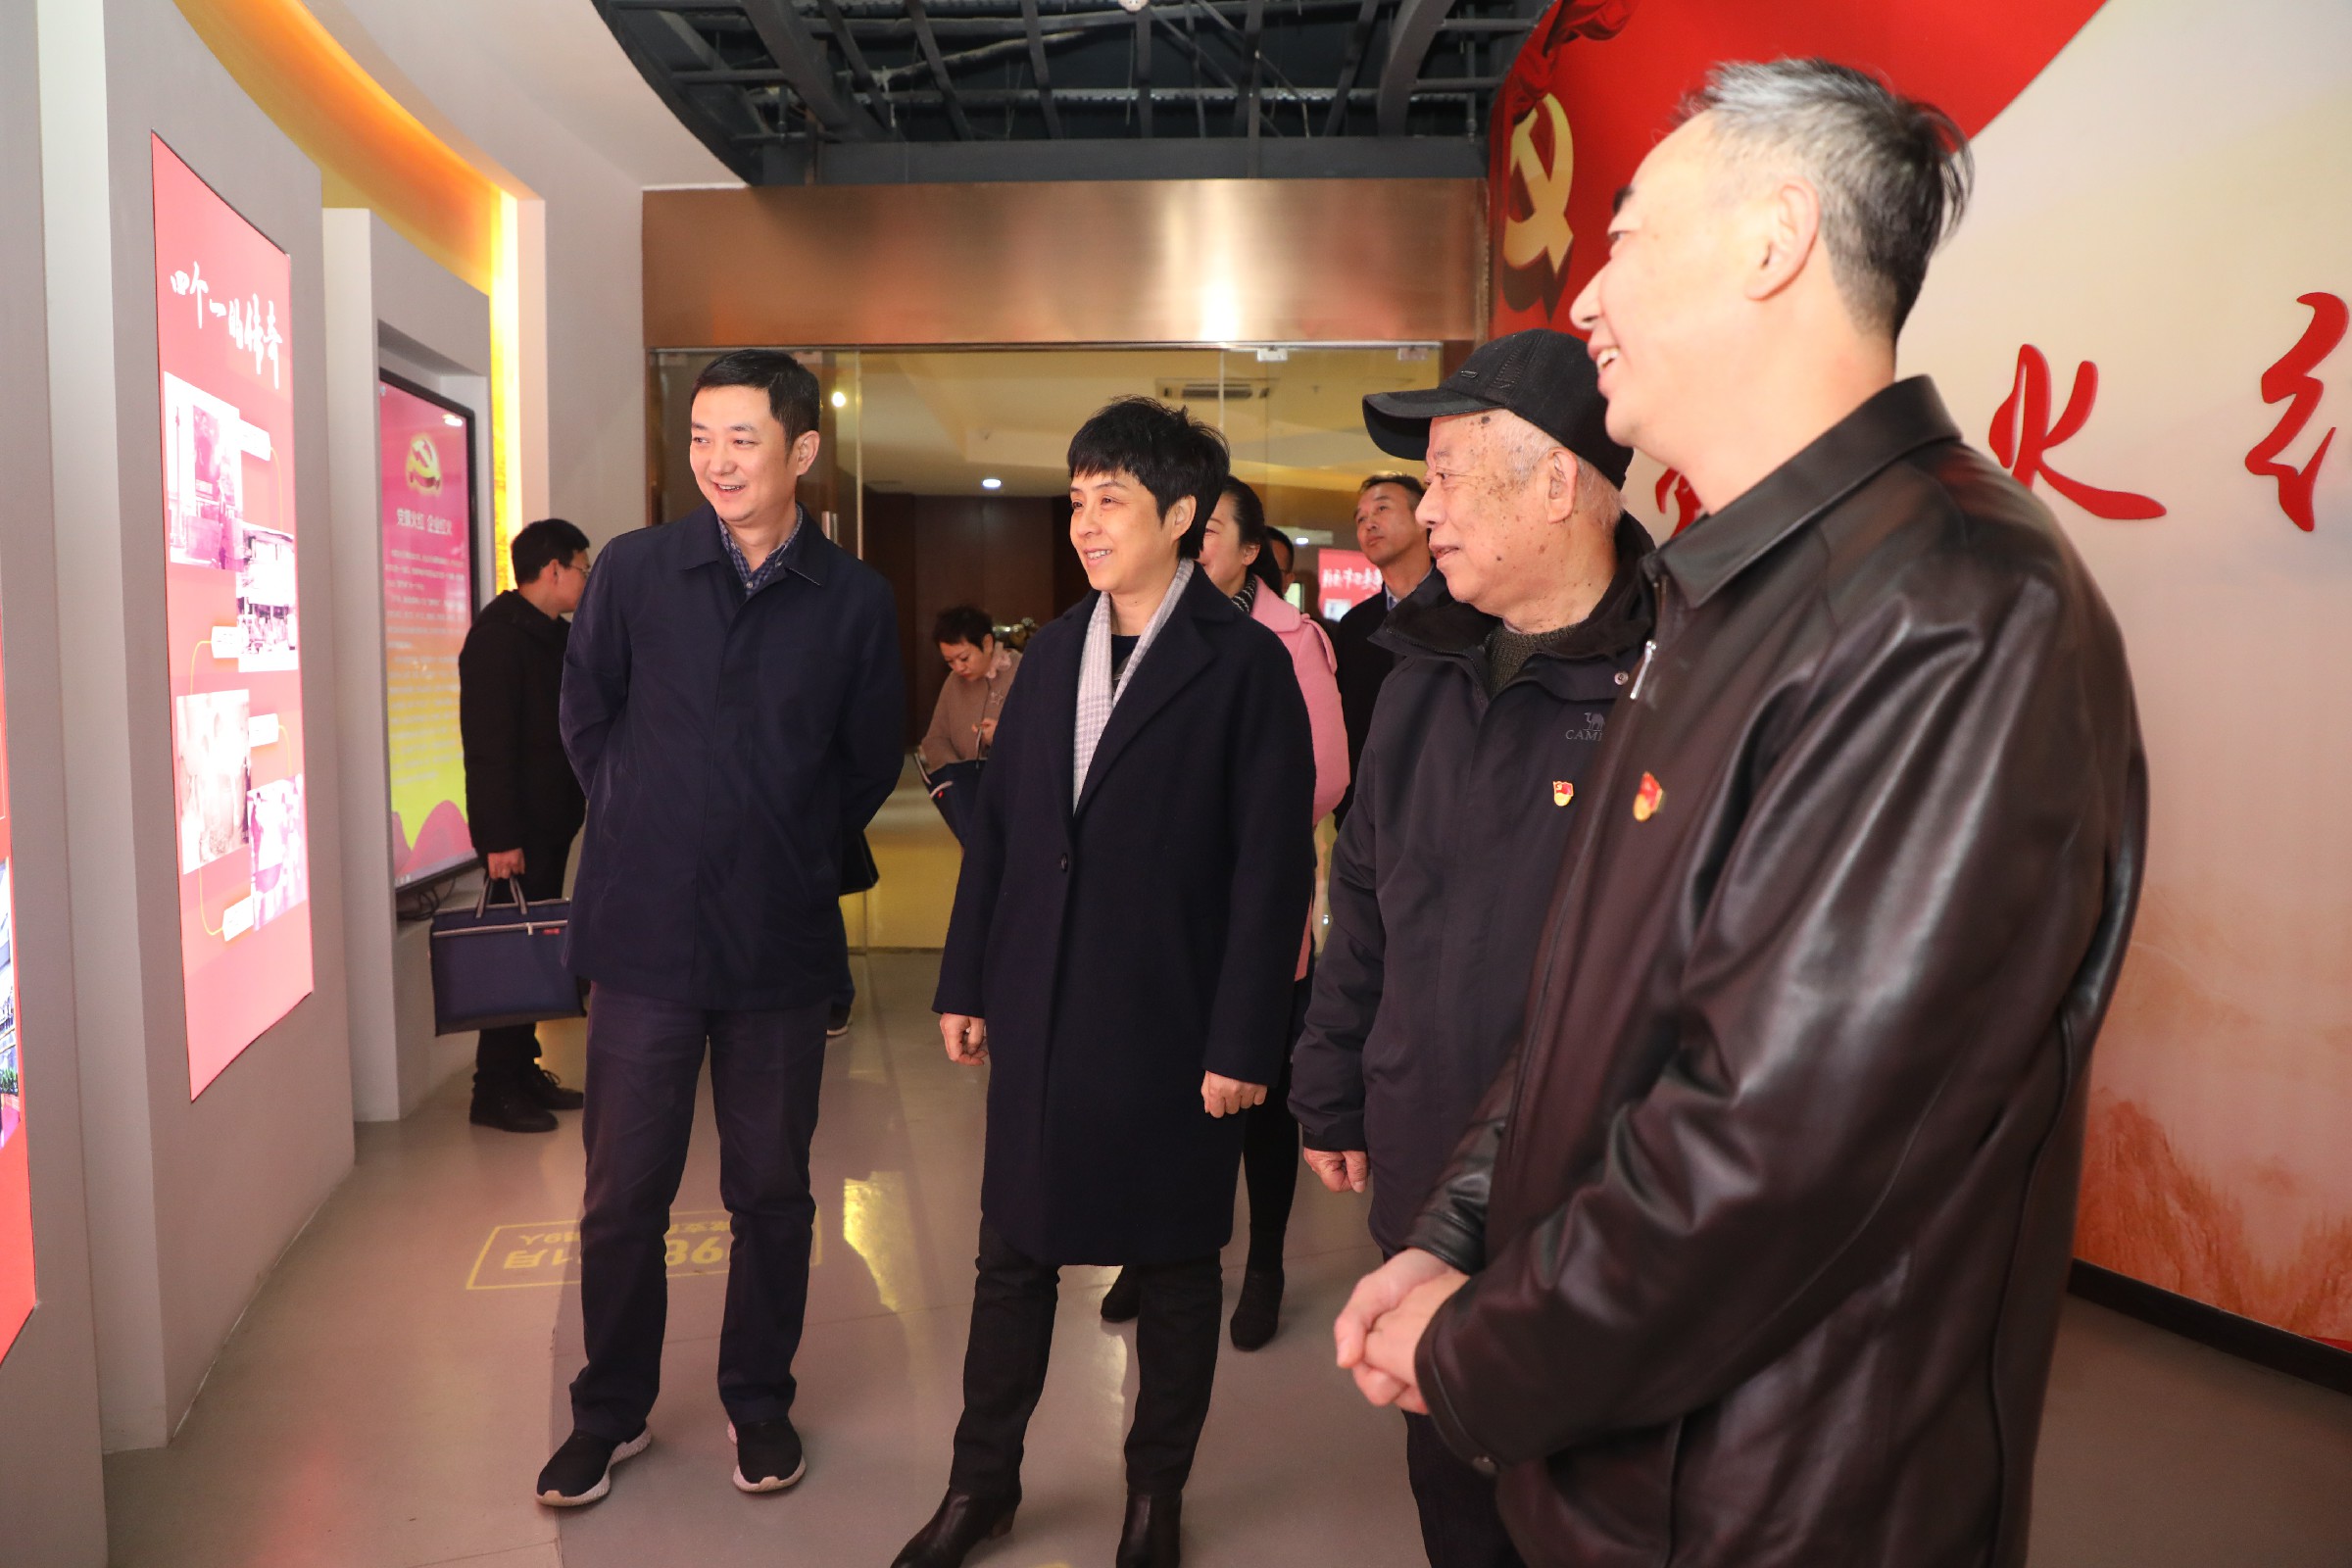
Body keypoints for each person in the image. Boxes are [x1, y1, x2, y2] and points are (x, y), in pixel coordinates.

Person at [1334, 60, 2146, 1568]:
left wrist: (1476, 1350)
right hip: (1623, 1462)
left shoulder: (1954, 609)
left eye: (1629, 240)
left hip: (1768, 1501)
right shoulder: (1733, 597)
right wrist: (1455, 1229)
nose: (1590, 298)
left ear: (1776, 241)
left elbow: (1773, 1159)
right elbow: (1584, 1001)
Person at [896, 399, 1312, 1568]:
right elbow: (1007, 836)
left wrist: (1246, 1039)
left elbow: (1272, 869)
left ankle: (1153, 1498)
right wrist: (967, 979)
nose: (1084, 521)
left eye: (1111, 499)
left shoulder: (1246, 667)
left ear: (1180, 515)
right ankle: (981, 1484)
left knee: (1176, 1272)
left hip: (1173, 1021)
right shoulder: (1052, 655)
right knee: (1010, 1259)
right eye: (1076, 498)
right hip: (1041, 1006)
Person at [1292, 329, 1646, 1568]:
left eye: (1448, 476)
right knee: (1450, 1487)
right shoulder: (1422, 672)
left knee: (1587, 1502)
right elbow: (1365, 895)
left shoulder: (1673, 687)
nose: (1424, 509)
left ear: (1556, 484)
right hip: (1419, 1153)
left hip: (1594, 1198)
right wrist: (1333, 1083)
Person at [539, 350, 904, 1508]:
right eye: (701, 437)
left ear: (803, 450)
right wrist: (641, 813)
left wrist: (782, 841)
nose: (717, 461)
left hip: (778, 945)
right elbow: (586, 711)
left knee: (773, 1193)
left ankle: (759, 1400)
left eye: (743, 438)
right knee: (621, 1197)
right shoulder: (637, 569)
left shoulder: (852, 598)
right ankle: (610, 1410)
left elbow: (866, 758)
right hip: (643, 938)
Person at [1100, 476, 1348, 1348]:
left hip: (1248, 907)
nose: (1194, 542)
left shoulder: (1291, 640)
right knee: (1156, 1093)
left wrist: (1209, 824)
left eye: (1211, 531)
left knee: (1259, 1101)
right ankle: (1149, 1248)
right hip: (1155, 918)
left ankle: (1267, 1261)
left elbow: (1326, 775)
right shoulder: (1141, 629)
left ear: (1250, 551)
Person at [457, 516, 594, 1134]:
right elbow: (487, 748)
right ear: (553, 569)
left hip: (550, 820)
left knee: (535, 948)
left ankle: (523, 1068)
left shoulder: (550, 636)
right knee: (512, 955)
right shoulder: (498, 639)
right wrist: (499, 838)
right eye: (582, 567)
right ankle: (494, 1088)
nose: (586, 579)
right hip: (518, 831)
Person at [1331, 472, 1432, 821]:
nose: (1369, 524)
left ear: (1423, 519)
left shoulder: (1464, 609)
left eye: (1382, 509)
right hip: (1368, 810)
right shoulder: (1355, 625)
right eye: (1360, 519)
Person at [918, 604, 1021, 843]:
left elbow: (1045, 739)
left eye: (964, 658)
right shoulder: (953, 682)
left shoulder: (1022, 670)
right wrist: (958, 776)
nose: (958, 668)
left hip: (1016, 799)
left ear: (987, 643)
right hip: (970, 803)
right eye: (950, 661)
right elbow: (935, 739)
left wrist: (1002, 735)